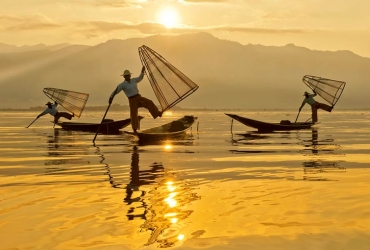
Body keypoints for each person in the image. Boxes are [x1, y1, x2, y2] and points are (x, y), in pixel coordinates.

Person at [109, 66, 162, 133]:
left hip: (138, 97)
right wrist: (111, 97)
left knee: (149, 102)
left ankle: (157, 113)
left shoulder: (134, 80)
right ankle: (135, 129)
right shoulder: (122, 85)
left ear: (130, 75)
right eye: (126, 76)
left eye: (128, 75)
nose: (127, 76)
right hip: (132, 100)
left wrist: (142, 71)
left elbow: (140, 78)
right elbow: (115, 91)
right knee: (133, 114)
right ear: (124, 77)